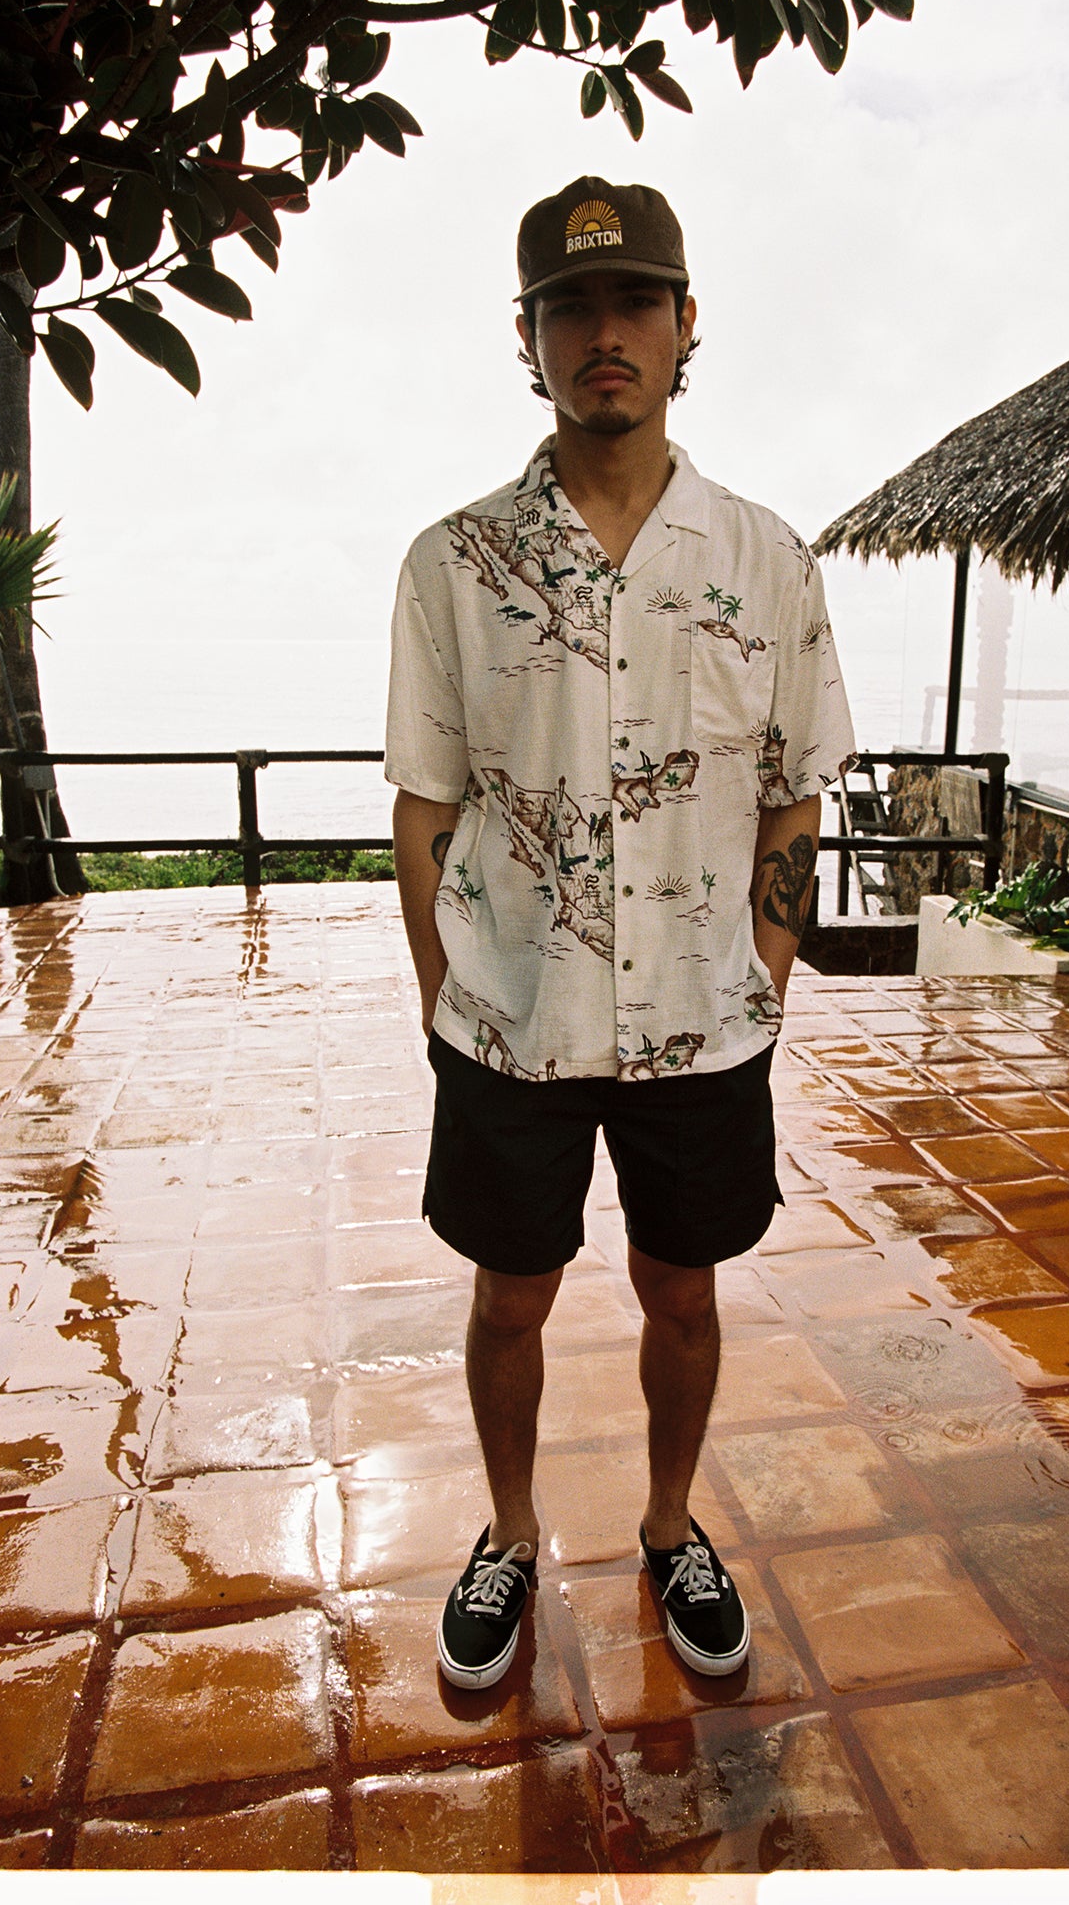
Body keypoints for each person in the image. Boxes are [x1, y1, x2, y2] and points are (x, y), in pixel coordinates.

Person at [385, 175, 855, 1693]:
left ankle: (667, 1524)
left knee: (686, 1291)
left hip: (706, 1023)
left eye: (634, 301)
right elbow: (427, 804)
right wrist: (447, 1001)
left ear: (683, 323)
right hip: (510, 1021)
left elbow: (794, 794)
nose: (606, 332)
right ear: (527, 338)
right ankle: (510, 1534)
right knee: (507, 1296)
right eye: (571, 307)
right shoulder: (454, 564)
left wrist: (763, 980)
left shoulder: (767, 560)